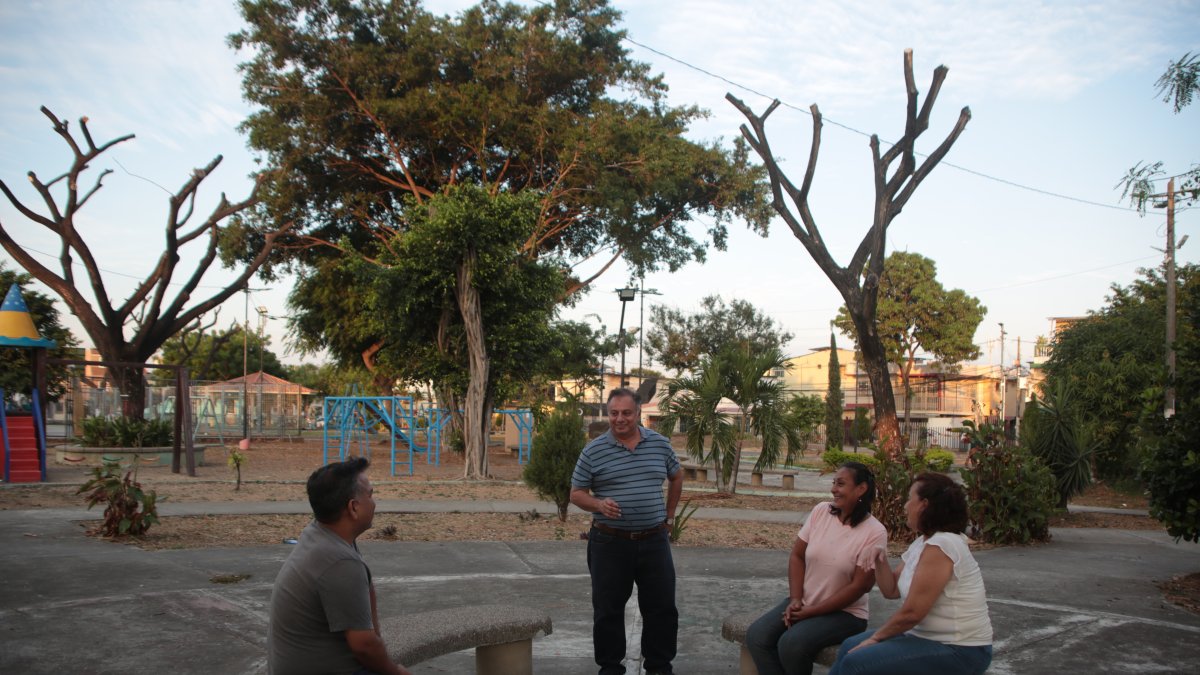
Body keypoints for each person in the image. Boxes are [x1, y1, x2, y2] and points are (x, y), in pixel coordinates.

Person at [829, 472, 993, 675]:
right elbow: (891, 590)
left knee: (856, 662)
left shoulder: (942, 546)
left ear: (924, 504)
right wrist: (880, 558)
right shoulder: (923, 542)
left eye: (909, 499)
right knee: (849, 646)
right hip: (924, 638)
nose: (905, 506)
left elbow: (913, 613)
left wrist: (876, 638)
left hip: (961, 649)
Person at [570, 387, 684, 675]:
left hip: (654, 540)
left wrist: (669, 516)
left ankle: (659, 667)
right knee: (608, 611)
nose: (619, 419)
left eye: (626, 413)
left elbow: (677, 475)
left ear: (638, 413)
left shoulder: (659, 444)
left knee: (661, 609)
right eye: (614, 413)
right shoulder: (594, 450)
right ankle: (610, 668)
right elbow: (576, 493)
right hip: (609, 543)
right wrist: (598, 503)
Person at [268, 457, 412, 675]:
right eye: (370, 495)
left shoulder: (320, 533)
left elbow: (366, 598)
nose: (374, 502)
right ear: (353, 508)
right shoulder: (339, 562)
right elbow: (364, 646)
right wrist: (398, 672)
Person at [745, 462, 888, 675]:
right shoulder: (821, 511)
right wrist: (795, 599)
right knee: (757, 636)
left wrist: (811, 612)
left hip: (846, 614)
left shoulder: (875, 532)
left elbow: (860, 586)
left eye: (841, 484)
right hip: (805, 601)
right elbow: (797, 556)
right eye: (834, 483)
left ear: (861, 489)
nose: (833, 489)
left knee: (791, 644)